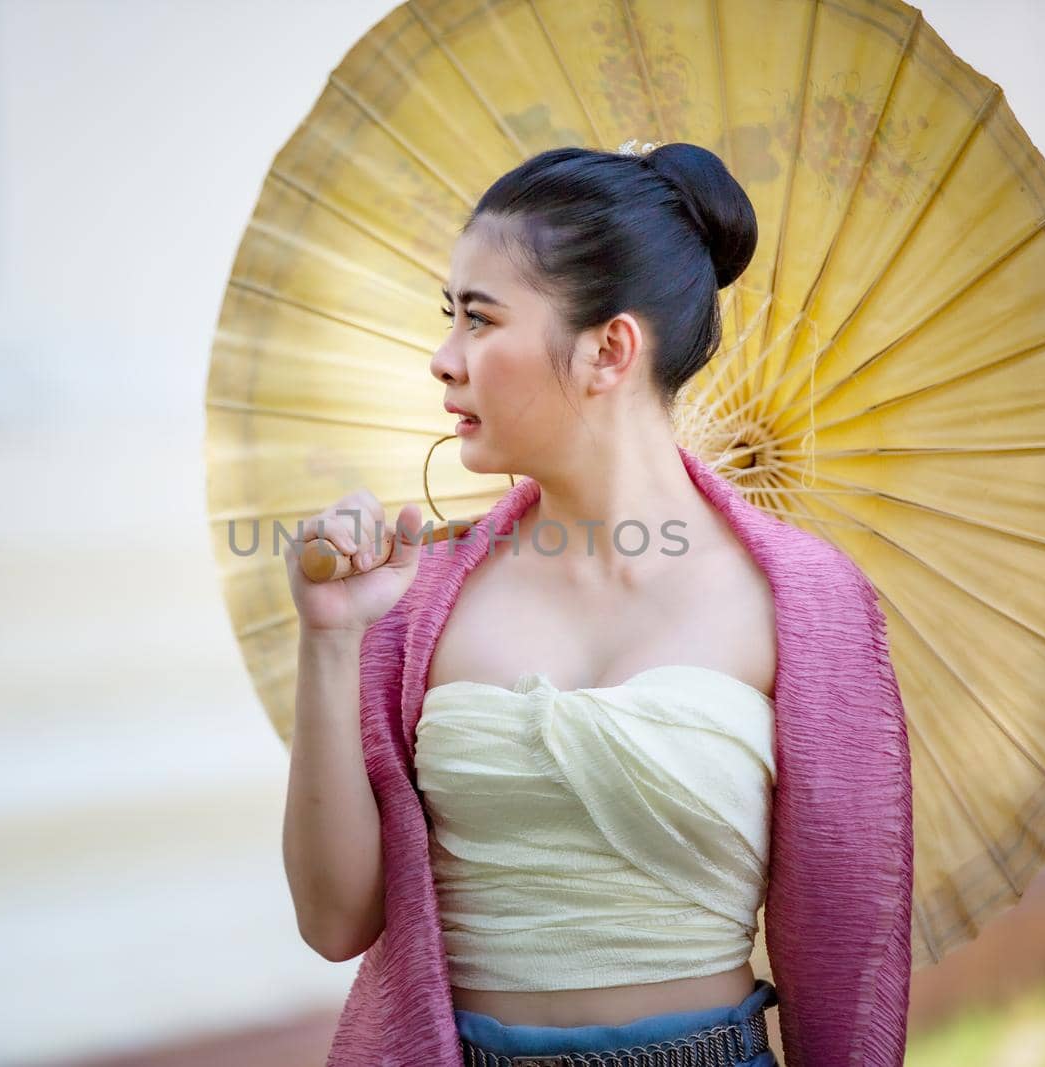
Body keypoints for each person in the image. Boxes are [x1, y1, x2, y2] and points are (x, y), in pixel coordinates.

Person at [283, 142, 912, 1066]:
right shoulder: (414, 599)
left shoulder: (806, 604)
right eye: (447, 319)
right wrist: (328, 639)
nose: (442, 358)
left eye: (479, 320)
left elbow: (850, 962)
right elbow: (335, 921)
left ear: (609, 349)